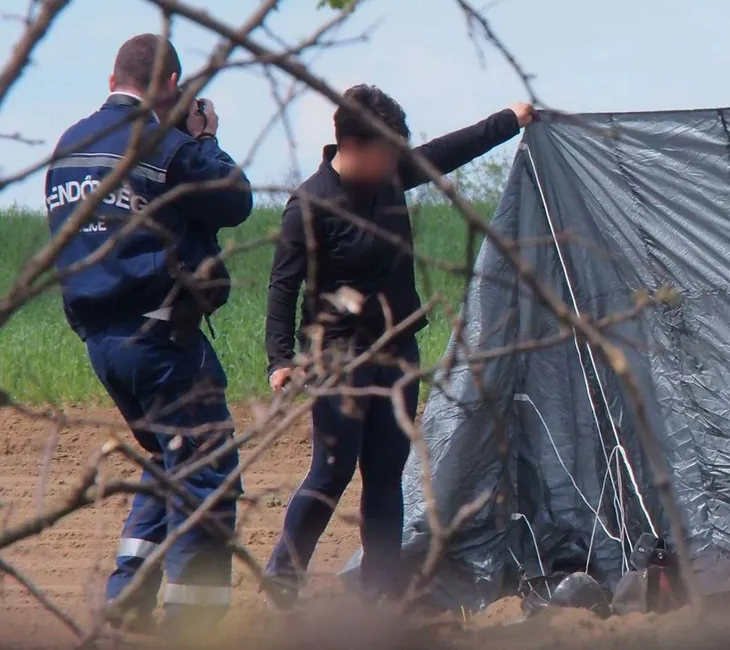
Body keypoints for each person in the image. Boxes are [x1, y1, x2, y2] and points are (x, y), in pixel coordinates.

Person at [263, 84, 535, 606]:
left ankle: (381, 595)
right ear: (354, 146)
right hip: (338, 355)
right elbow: (283, 286)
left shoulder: (389, 176)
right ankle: (283, 576)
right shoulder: (310, 205)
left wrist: (509, 118)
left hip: (396, 352)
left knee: (386, 474)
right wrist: (280, 359)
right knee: (332, 471)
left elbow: (449, 151)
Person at [44, 34, 253, 632]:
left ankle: (127, 598)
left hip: (101, 343)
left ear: (113, 81)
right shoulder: (164, 144)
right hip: (161, 338)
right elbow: (235, 200)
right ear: (172, 86)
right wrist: (203, 137)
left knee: (168, 460)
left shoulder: (68, 146)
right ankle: (192, 625)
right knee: (206, 473)